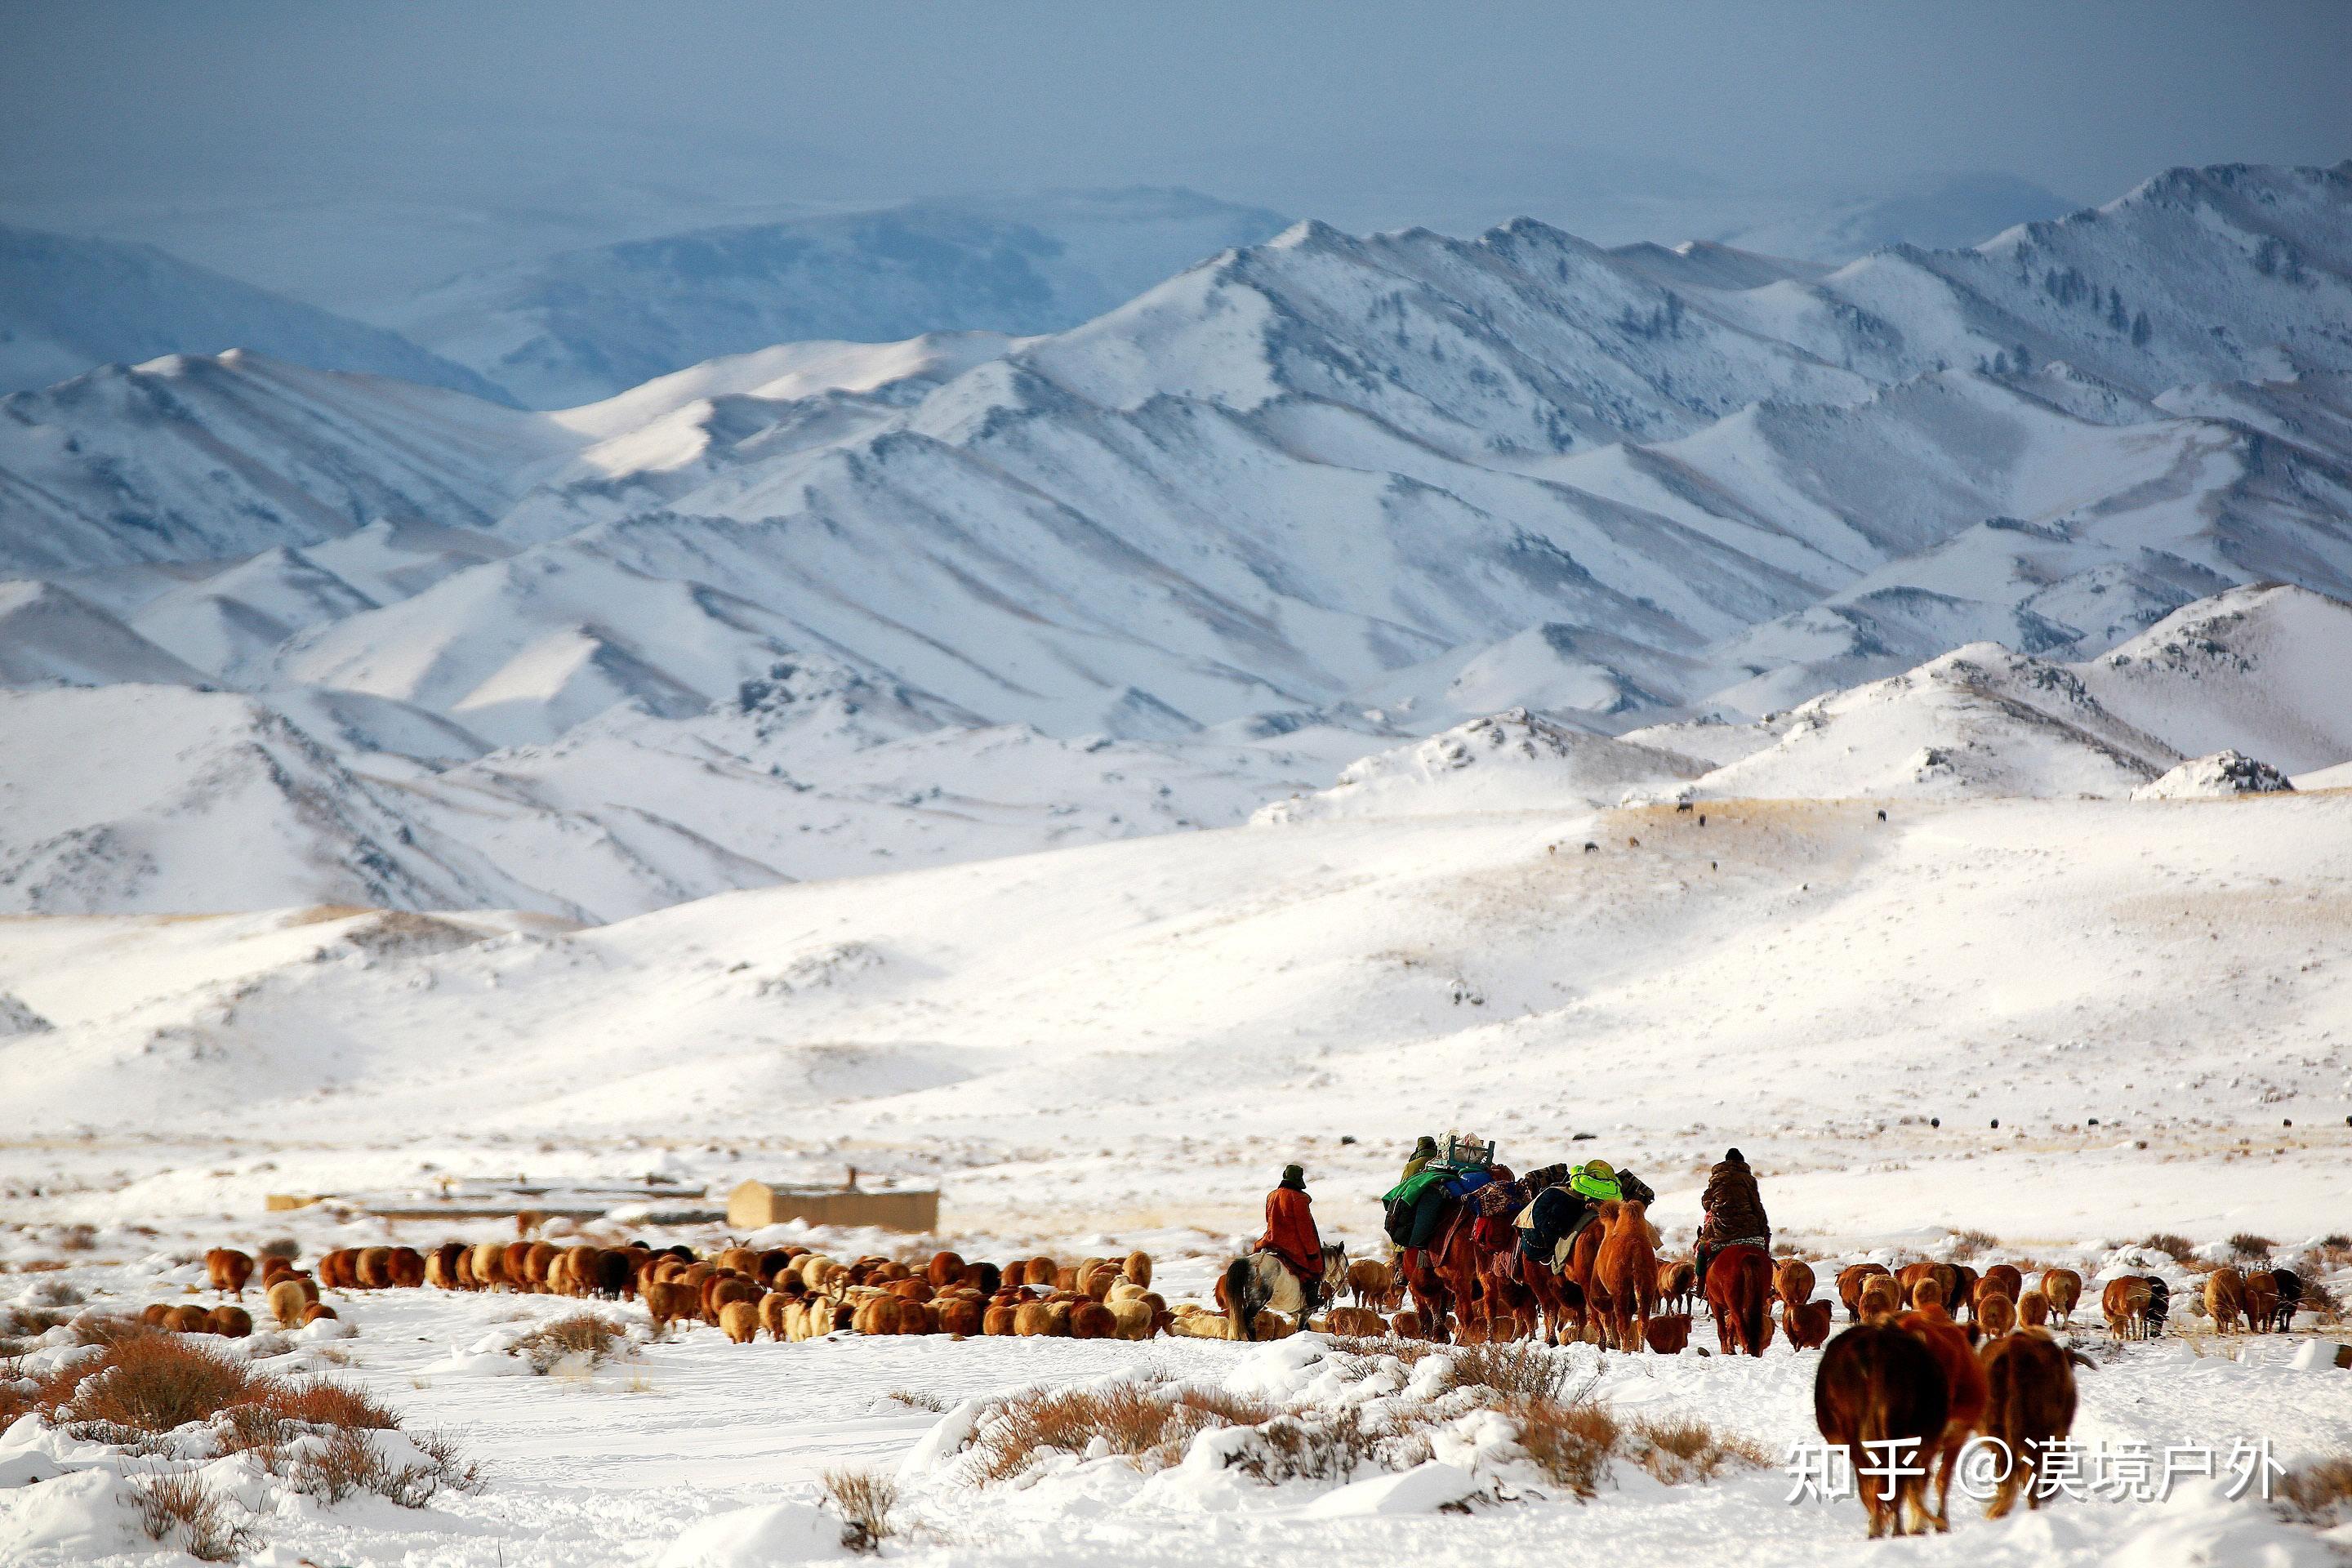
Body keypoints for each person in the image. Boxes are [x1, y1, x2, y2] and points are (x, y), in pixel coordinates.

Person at [1695, 1147, 1770, 1292]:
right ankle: (1768, 1286)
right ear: (1742, 1162)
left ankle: (1700, 1285)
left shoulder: (1716, 1179)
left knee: (1702, 1249)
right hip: (1750, 1232)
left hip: (1721, 1233)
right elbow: (1757, 1206)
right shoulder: (1749, 1180)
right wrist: (1764, 1229)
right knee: (1765, 1253)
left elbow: (1706, 1202)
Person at [1258, 1163, 1325, 1305]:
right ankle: (1311, 1301)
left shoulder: (1272, 1195)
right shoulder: (1299, 1199)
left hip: (1270, 1240)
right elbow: (1305, 1229)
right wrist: (1312, 1253)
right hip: (1290, 1245)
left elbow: (1268, 1219)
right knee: (1314, 1269)